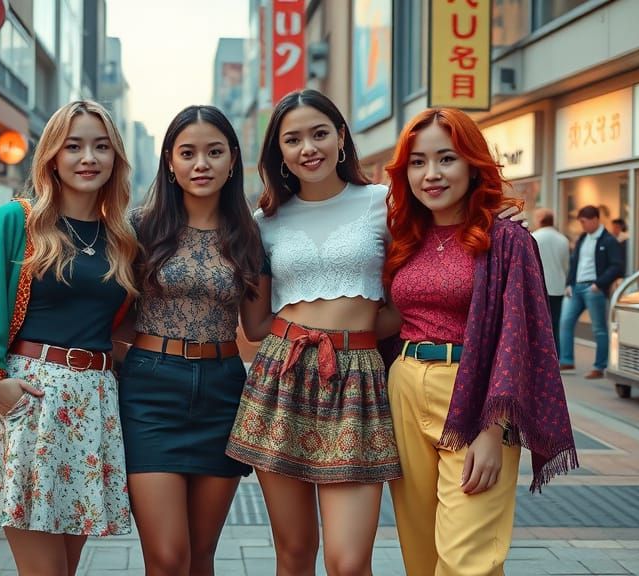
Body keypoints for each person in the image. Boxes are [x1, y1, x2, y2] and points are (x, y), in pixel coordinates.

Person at [224, 89, 524, 575]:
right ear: (277, 151)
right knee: (294, 554)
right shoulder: (263, 223)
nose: (309, 148)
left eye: (320, 133)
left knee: (347, 561)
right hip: (282, 376)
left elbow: (437, 257)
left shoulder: (385, 204)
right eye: (293, 139)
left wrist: (497, 218)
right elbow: (255, 325)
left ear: (342, 137)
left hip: (359, 381)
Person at [0, 100, 138, 576]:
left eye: (101, 147)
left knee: (67, 570)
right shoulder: (18, 219)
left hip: (94, 402)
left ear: (116, 158)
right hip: (32, 398)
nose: (88, 158)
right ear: (52, 156)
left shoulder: (120, 234)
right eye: (73, 146)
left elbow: (119, 321)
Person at [380, 107, 577, 576]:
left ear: (472, 163)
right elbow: (389, 317)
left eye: (446, 159)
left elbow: (521, 336)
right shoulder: (405, 236)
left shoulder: (507, 240)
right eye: (417, 162)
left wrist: (495, 431)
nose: (431, 175)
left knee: (468, 559)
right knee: (421, 554)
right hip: (405, 388)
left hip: (475, 396)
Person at [122, 105, 272, 575]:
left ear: (232, 160)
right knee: (167, 557)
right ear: (170, 161)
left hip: (223, 389)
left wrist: (333, 318)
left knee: (201, 556)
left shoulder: (249, 234)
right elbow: (110, 314)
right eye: (188, 153)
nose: (201, 164)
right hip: (149, 391)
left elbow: (258, 326)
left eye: (213, 152)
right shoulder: (139, 228)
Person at [559, 205, 625, 379]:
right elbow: (575, 263)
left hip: (594, 289)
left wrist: (599, 284)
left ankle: (599, 366)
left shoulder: (609, 240)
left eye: (584, 222)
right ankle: (566, 360)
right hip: (576, 288)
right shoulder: (583, 238)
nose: (582, 225)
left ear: (595, 219)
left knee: (599, 329)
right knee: (565, 322)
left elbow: (617, 266)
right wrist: (569, 283)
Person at [532, 208, 570, 355]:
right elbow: (566, 265)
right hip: (558, 287)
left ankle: (540, 354)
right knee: (554, 324)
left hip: (539, 288)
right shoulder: (563, 239)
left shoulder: (534, 237)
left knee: (538, 325)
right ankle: (556, 355)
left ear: (540, 219)